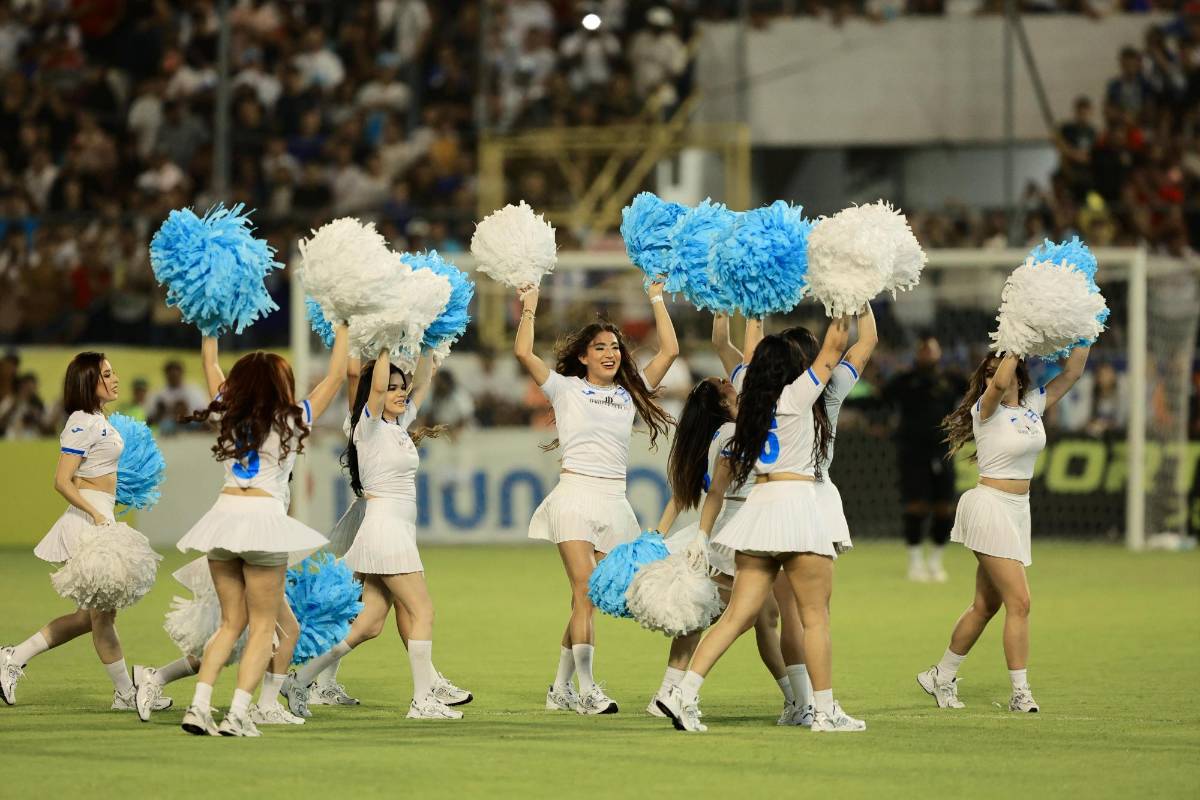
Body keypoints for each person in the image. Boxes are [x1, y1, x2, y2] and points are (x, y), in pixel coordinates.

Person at [657, 317, 868, 733]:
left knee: (736, 616)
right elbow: (836, 345)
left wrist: (753, 312)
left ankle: (682, 695)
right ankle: (823, 712)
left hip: (758, 514)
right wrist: (846, 294)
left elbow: (748, 355)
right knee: (814, 618)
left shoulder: (751, 408)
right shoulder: (797, 398)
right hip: (796, 506)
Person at [173, 327, 348, 737]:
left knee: (231, 623)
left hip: (223, 518)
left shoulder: (225, 411)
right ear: (278, 384)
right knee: (265, 625)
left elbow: (210, 364)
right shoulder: (292, 417)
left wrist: (209, 327)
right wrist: (342, 325)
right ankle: (237, 713)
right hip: (263, 522)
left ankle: (199, 706)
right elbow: (336, 377)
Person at [280, 350, 472, 720]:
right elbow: (378, 383)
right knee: (422, 610)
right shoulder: (365, 427)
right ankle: (422, 700)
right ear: (375, 392)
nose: (400, 393)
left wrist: (431, 342)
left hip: (395, 529)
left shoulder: (398, 427)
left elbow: (424, 381)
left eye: (403, 388)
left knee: (369, 623)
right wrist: (383, 339)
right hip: (385, 528)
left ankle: (299, 680)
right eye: (392, 388)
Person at [516, 281, 677, 715]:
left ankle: (559, 688)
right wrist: (529, 309)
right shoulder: (565, 388)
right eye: (601, 348)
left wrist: (657, 296)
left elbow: (670, 351)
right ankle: (587, 691)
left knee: (588, 600)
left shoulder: (629, 393)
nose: (610, 353)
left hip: (614, 501)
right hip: (575, 495)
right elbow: (524, 355)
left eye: (615, 347)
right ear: (584, 356)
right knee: (585, 592)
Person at [917, 347, 1089, 714]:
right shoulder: (986, 408)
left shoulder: (1031, 404)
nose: (998, 373)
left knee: (985, 605)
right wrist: (1015, 339)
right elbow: (996, 383)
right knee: (1020, 602)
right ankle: (1020, 693)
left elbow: (1073, 371)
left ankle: (940, 675)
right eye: (991, 369)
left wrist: (1088, 326)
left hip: (1017, 512)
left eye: (1005, 365)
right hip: (989, 505)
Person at [648, 316, 796, 725]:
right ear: (718, 404)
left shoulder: (730, 429)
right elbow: (710, 494)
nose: (730, 383)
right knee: (739, 615)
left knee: (746, 616)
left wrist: (723, 308)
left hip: (730, 532)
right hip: (737, 532)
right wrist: (755, 309)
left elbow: (685, 494)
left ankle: (670, 691)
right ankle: (680, 692)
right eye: (723, 385)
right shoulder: (732, 432)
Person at [1, 353, 166, 711]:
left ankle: (13, 657)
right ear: (88, 381)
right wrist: (96, 514)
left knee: (89, 617)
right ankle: (125, 693)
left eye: (113, 371)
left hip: (99, 515)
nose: (115, 378)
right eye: (106, 374)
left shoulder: (98, 419)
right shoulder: (81, 420)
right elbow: (62, 481)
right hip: (87, 522)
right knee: (102, 616)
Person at [882, 334, 966, 582]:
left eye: (932, 349)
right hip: (912, 453)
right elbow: (880, 400)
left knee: (944, 508)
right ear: (917, 353)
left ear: (939, 353)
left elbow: (976, 394)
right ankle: (915, 561)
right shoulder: (903, 381)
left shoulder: (951, 380)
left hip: (943, 451)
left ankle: (935, 560)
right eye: (923, 349)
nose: (927, 354)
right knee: (915, 506)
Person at [146, 359, 207, 432]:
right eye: (171, 374)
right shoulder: (158, 394)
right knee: (166, 426)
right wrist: (161, 412)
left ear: (181, 373)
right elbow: (149, 419)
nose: (174, 377)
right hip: (167, 426)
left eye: (176, 374)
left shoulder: (194, 391)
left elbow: (203, 414)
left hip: (190, 425)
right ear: (166, 374)